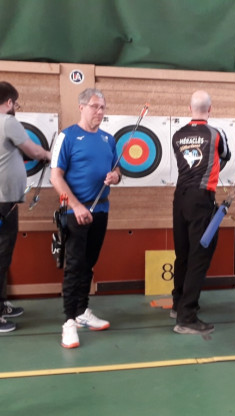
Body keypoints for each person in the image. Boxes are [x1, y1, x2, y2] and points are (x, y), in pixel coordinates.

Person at [50, 88, 121, 348]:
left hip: (100, 211)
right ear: (81, 107)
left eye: (102, 107)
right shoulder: (67, 137)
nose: (99, 112)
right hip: (75, 213)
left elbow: (117, 168)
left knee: (89, 263)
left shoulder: (108, 139)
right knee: (74, 266)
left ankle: (82, 311)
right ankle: (69, 321)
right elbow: (55, 176)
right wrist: (77, 206)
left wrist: (116, 176)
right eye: (94, 106)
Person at [171, 90, 231, 335]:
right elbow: (225, 156)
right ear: (210, 109)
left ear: (189, 109)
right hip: (201, 198)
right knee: (199, 255)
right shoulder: (216, 133)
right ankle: (187, 317)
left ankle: (178, 303)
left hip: (180, 198)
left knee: (183, 253)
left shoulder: (178, 135)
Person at [0, 81, 51, 333]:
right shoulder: (7, 121)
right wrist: (50, 155)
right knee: (1, 255)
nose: (16, 108)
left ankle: (1, 305)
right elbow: (33, 150)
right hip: (3, 202)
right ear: (9, 102)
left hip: (5, 200)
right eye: (16, 103)